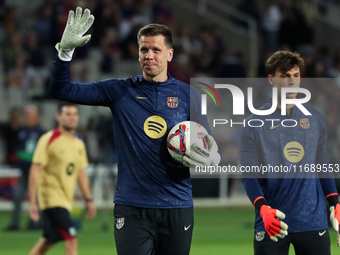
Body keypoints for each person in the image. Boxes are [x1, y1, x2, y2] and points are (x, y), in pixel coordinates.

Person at [49, 7, 220, 255]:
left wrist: (203, 159)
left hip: (177, 205)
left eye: (156, 50)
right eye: (144, 50)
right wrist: (65, 53)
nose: (149, 55)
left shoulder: (188, 95)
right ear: (138, 54)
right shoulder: (120, 91)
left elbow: (208, 147)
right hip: (132, 206)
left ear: (169, 54)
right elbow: (61, 91)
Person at [240, 50, 340, 255]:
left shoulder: (315, 119)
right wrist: (263, 209)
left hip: (312, 221)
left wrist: (335, 203)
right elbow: (250, 176)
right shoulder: (253, 124)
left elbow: (322, 164)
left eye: (296, 76)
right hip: (272, 222)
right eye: (285, 76)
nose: (292, 82)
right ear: (271, 80)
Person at [28, 103, 96, 255]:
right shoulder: (49, 139)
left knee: (49, 239)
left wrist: (88, 199)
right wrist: (32, 202)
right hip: (51, 199)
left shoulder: (79, 143)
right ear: (58, 117)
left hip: (65, 200)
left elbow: (81, 173)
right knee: (71, 238)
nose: (72, 118)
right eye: (68, 114)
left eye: (75, 114)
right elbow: (35, 169)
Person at [4, 105, 45, 231]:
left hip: (38, 172)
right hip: (24, 171)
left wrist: (26, 156)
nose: (28, 118)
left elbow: (41, 154)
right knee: (17, 197)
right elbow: (17, 151)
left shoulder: (42, 133)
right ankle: (15, 223)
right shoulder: (21, 131)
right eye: (26, 115)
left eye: (30, 115)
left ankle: (36, 223)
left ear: (37, 116)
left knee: (38, 198)